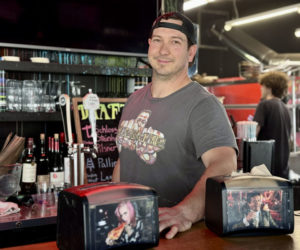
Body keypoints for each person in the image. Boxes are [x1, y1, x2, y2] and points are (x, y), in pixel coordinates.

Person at [112, 12, 237, 239]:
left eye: (175, 42)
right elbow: (125, 158)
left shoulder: (202, 105)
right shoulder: (134, 100)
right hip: (132, 230)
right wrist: (112, 203)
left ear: (191, 53)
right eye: (158, 40)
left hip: (175, 233)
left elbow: (225, 163)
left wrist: (185, 212)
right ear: (149, 45)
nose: (163, 50)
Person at [253, 71, 291, 179]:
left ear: (269, 87)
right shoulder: (285, 108)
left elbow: (254, 132)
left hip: (266, 168)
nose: (261, 89)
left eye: (263, 86)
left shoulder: (264, 105)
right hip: (283, 168)